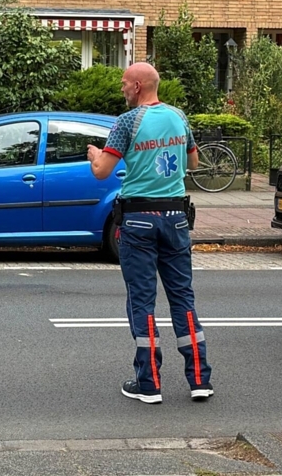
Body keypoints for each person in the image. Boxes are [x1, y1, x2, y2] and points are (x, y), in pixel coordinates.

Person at [86, 62, 213, 404]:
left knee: (142, 301)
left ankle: (150, 383)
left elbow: (101, 172)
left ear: (139, 86)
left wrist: (95, 156)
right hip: (175, 218)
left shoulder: (127, 122)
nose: (122, 89)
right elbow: (193, 163)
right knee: (183, 298)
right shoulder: (178, 117)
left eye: (125, 83)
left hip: (139, 219)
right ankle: (200, 379)